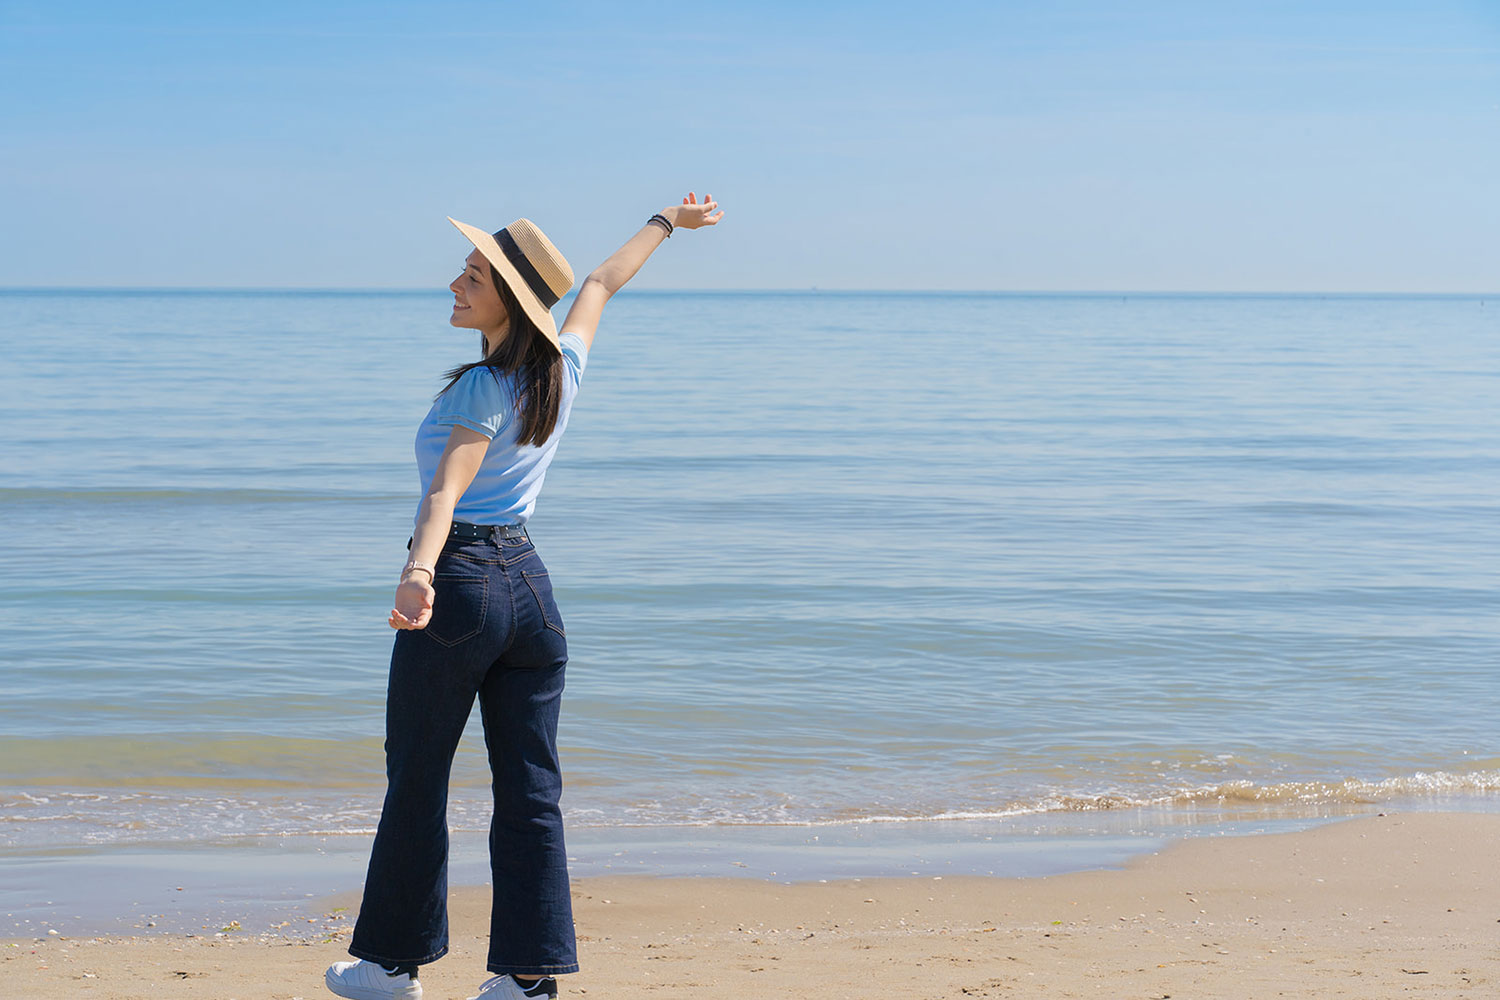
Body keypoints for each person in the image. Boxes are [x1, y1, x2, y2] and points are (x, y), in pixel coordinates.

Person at [325, 192, 723, 1000]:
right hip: (532, 593)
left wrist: (419, 573)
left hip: (463, 585)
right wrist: (667, 224)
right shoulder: (560, 369)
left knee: (419, 776)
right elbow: (602, 285)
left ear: (508, 296)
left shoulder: (483, 386)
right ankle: (528, 978)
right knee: (531, 789)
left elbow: (445, 493)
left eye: (472, 275)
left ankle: (392, 965)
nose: (454, 284)